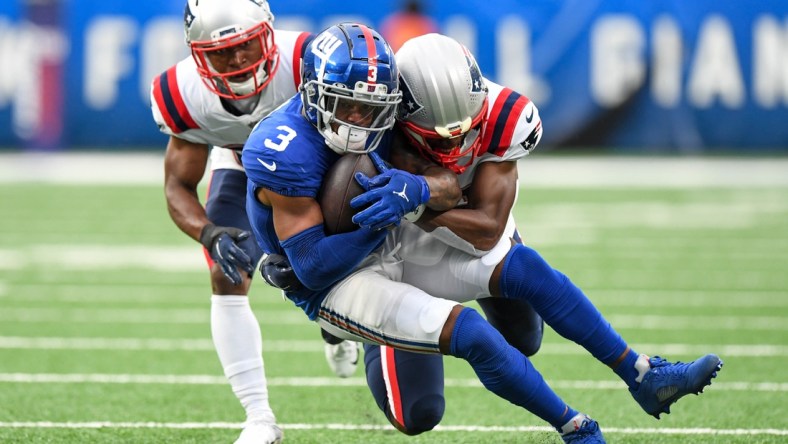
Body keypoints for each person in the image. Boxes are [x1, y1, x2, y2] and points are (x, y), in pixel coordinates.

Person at [242, 27, 723, 444]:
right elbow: (311, 265)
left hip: (399, 229)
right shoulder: (289, 145)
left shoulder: (471, 111)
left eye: (372, 109)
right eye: (350, 107)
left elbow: (470, 208)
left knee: (526, 281)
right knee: (422, 410)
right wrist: (389, 216)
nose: (360, 121)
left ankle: (642, 375)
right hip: (338, 273)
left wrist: (420, 190)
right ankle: (575, 426)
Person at [149, 0, 316, 442]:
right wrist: (210, 233)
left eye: (245, 46)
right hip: (242, 164)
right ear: (196, 53)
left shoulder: (305, 60)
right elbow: (177, 186)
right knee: (228, 276)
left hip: (322, 168)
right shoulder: (182, 94)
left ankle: (339, 331)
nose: (238, 60)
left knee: (326, 268)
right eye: (222, 52)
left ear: (267, 34)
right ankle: (259, 418)